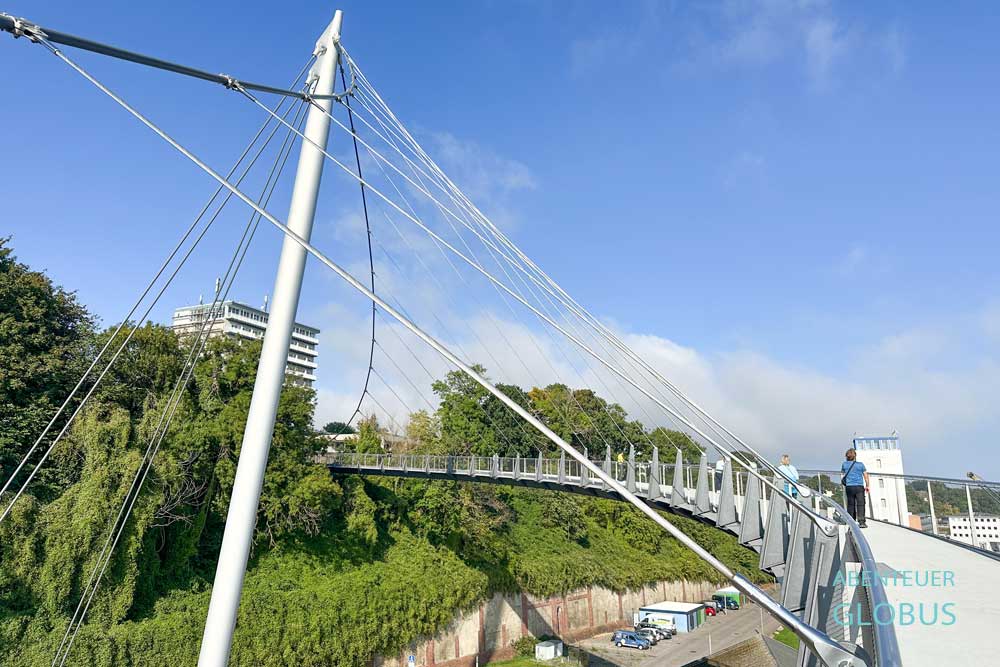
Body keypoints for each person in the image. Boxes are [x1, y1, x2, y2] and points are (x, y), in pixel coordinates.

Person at [841, 448, 870, 527]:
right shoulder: (860, 465)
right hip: (859, 486)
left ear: (847, 456)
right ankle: (862, 522)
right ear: (855, 456)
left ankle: (851, 521)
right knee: (861, 504)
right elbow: (866, 476)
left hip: (849, 487)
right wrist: (867, 486)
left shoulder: (844, 464)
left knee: (851, 504)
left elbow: (842, 475)